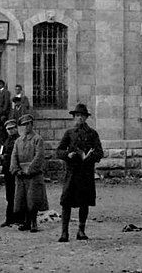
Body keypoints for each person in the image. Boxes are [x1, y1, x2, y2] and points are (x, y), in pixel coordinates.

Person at [56, 103, 103, 242]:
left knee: (84, 202)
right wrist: (67, 155)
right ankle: (64, 233)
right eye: (77, 116)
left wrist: (90, 157)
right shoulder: (69, 133)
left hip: (86, 173)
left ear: (86, 118)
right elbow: (58, 151)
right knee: (66, 202)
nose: (79, 118)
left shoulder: (93, 134)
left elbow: (100, 152)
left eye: (82, 116)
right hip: (72, 172)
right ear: (74, 118)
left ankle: (81, 231)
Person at [10, 114, 48, 232]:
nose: (26, 127)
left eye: (28, 124)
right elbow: (14, 156)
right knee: (22, 199)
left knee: (33, 199)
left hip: (33, 175)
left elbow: (39, 156)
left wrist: (30, 169)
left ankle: (33, 223)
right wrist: (16, 169)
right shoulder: (18, 141)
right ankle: (26, 222)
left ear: (32, 125)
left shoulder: (37, 139)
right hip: (21, 175)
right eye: (23, 125)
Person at [0, 119, 20, 227]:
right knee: (9, 195)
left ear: (16, 128)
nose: (10, 131)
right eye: (8, 129)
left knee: (17, 194)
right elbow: (3, 152)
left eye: (12, 128)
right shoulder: (7, 140)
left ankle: (18, 218)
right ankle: (9, 219)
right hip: (7, 170)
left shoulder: (19, 140)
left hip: (15, 170)